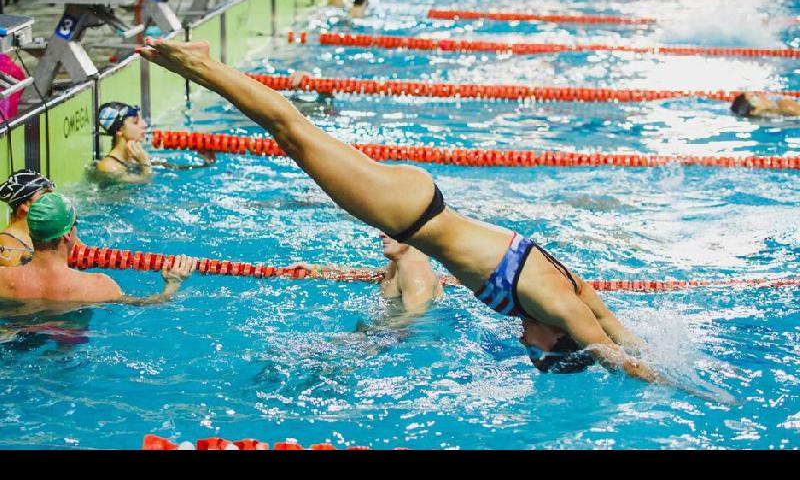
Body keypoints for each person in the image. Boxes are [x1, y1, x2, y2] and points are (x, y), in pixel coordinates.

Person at [139, 38, 730, 400]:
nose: (525, 342)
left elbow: (619, 332)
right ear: (558, 339)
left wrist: (653, 357)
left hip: (423, 204)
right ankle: (197, 66)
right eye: (537, 350)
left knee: (299, 135)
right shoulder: (559, 308)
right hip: (411, 216)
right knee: (292, 133)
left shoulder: (577, 299)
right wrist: (687, 390)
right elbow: (613, 352)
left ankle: (204, 65)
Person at [0, 192, 197, 315]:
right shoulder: (97, 285)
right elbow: (151, 304)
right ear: (67, 234)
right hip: (67, 345)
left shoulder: (3, 278)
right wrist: (173, 283)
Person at [292, 231, 443, 327]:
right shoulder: (400, 264)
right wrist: (317, 269)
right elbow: (369, 274)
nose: (381, 234)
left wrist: (372, 334)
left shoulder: (415, 272)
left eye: (388, 228)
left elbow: (416, 318)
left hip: (387, 342)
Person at [95, 101, 216, 184]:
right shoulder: (109, 167)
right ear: (119, 130)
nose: (144, 125)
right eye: (136, 122)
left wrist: (206, 164)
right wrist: (145, 163)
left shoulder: (133, 157)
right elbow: (144, 182)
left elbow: (173, 169)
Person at [0, 169, 66, 267]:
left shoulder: (53, 231)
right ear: (25, 205)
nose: (52, 201)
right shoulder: (6, 246)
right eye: (45, 196)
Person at [730, 92, 800, 118]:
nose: (761, 94)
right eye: (755, 96)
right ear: (754, 110)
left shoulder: (763, 120)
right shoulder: (784, 105)